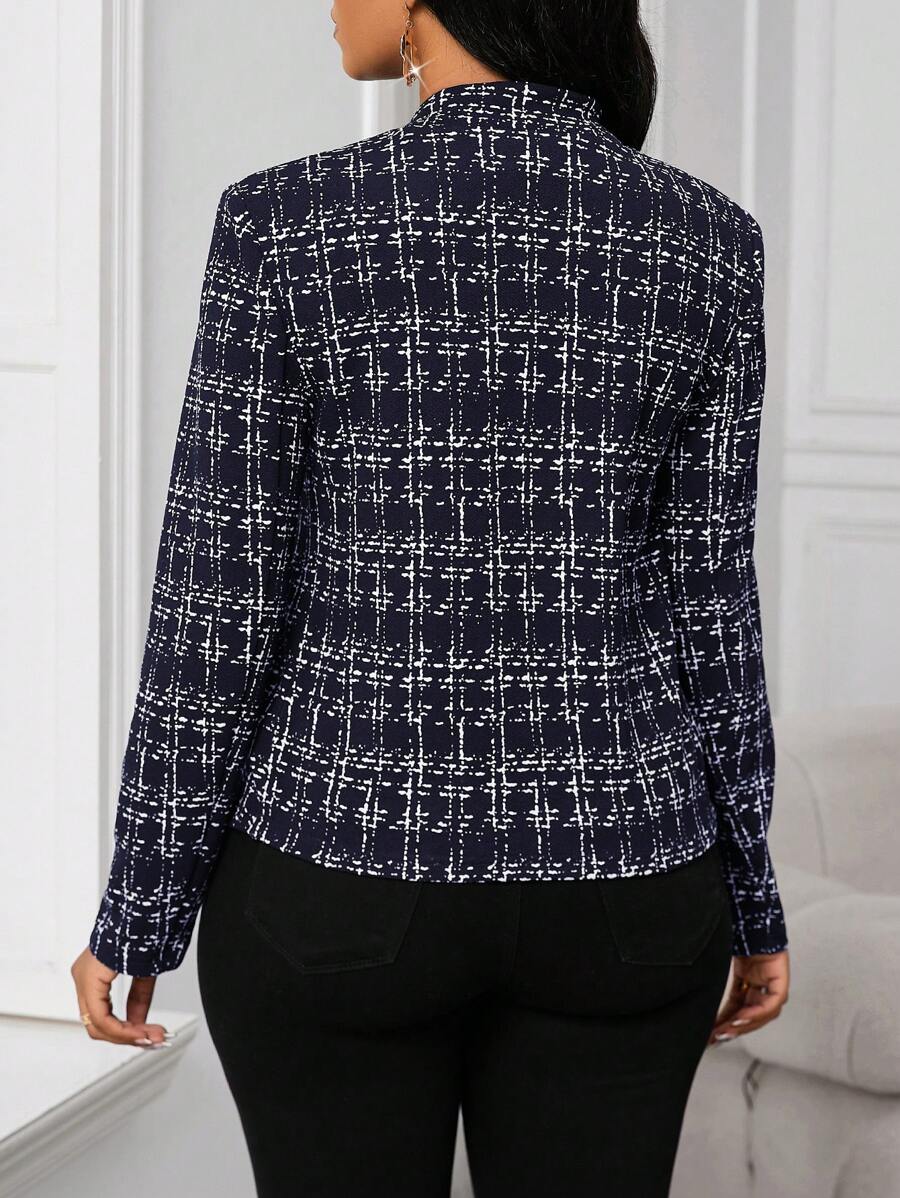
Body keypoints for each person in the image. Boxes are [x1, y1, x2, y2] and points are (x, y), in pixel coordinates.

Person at [71, 0, 791, 1193]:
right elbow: (711, 599)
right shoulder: (708, 239)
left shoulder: (286, 223)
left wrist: (142, 903)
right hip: (629, 885)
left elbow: (218, 598)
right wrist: (756, 899)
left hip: (339, 871)